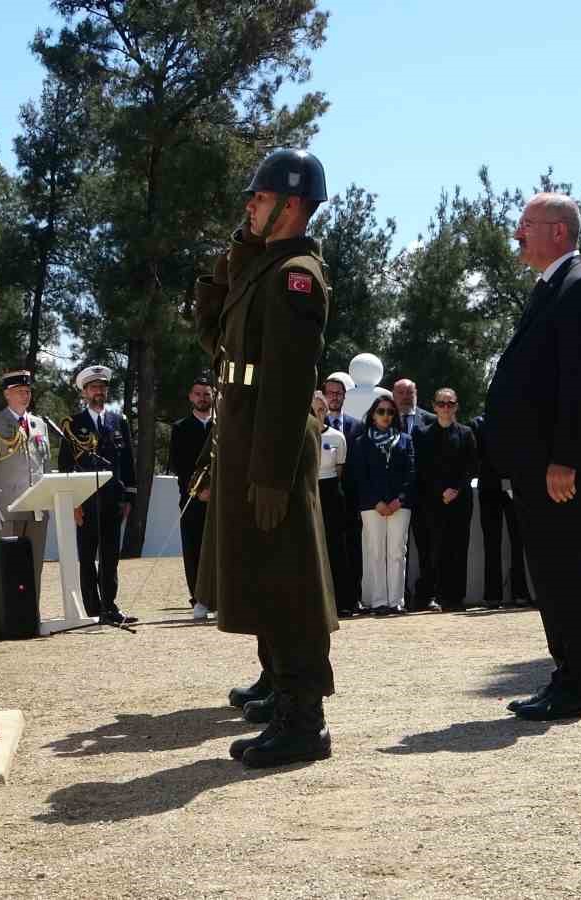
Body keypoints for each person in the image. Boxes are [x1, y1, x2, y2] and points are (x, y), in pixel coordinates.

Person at [191, 147, 337, 768]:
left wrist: (272, 471)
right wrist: (232, 264)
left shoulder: (295, 275)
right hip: (251, 431)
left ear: (291, 203)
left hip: (271, 439)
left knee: (287, 579)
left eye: (259, 195)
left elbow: (285, 377)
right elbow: (220, 344)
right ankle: (286, 702)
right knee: (264, 572)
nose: (248, 204)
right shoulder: (264, 268)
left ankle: (304, 720)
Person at [485, 191, 581, 722]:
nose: (518, 233)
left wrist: (564, 458)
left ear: (558, 231)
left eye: (526, 224)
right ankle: (566, 675)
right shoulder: (551, 287)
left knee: (566, 571)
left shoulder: (580, 287)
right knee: (550, 572)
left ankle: (580, 686)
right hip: (536, 462)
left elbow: (579, 385)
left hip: (558, 466)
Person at [58, 365, 139, 626]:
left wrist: (129, 497)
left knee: (109, 556)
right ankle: (93, 609)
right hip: (86, 500)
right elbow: (65, 465)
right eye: (93, 388)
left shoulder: (119, 421)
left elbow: (127, 461)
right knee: (87, 555)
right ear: (84, 392)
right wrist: (73, 502)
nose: (99, 392)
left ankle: (110, 607)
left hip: (112, 499)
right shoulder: (74, 424)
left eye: (102, 388)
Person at [0, 370, 51, 610]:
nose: (25, 395)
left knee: (34, 563)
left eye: (28, 391)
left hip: (37, 506)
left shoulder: (39, 424)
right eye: (19, 391)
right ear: (7, 394)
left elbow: (45, 464)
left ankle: (32, 613)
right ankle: (11, 615)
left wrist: (49, 497)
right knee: (9, 564)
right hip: (7, 506)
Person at [348, 396, 417, 616]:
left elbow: (411, 473)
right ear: (372, 414)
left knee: (397, 551)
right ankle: (378, 601)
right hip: (371, 506)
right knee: (375, 552)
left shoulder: (405, 440)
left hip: (400, 505)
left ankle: (396, 600)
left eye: (390, 412)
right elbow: (359, 476)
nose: (386, 416)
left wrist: (400, 499)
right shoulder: (361, 442)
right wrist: (376, 501)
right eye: (381, 411)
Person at [413, 388, 478, 611]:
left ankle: (455, 597)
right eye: (442, 404)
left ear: (456, 407)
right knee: (432, 548)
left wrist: (456, 489)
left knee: (458, 547)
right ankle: (431, 595)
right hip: (431, 501)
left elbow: (471, 466)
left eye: (450, 404)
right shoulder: (421, 434)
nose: (446, 408)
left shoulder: (466, 433)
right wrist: (440, 491)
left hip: (460, 500)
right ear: (434, 406)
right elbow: (421, 468)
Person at [473, 412, 531, 609]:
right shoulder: (477, 424)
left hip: (515, 485)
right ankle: (492, 594)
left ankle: (520, 592)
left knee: (519, 541)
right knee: (491, 541)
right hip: (489, 487)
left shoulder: (518, 421)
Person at [170, 376, 215, 621]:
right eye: (198, 394)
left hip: (220, 499)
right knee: (194, 548)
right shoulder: (180, 428)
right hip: (192, 498)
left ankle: (219, 597)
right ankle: (198, 598)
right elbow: (180, 465)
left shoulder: (222, 426)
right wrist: (199, 490)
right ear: (190, 397)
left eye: (206, 394)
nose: (202, 398)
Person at [393, 377, 439, 608]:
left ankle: (426, 595)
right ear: (393, 394)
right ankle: (399, 596)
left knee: (426, 548)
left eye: (409, 392)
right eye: (400, 393)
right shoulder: (384, 417)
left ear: (416, 393)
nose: (405, 397)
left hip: (425, 496)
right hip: (396, 496)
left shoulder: (431, 420)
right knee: (397, 549)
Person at [311, 391, 355, 617]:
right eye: (313, 409)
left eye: (321, 409)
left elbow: (339, 470)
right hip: (309, 492)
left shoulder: (338, 437)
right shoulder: (300, 435)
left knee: (336, 547)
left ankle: (343, 602)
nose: (318, 414)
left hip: (330, 491)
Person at [323, 373, 364, 610]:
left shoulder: (356, 426)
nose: (335, 397)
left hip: (349, 499)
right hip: (324, 497)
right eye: (330, 393)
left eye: (339, 393)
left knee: (352, 548)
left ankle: (351, 598)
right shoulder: (314, 424)